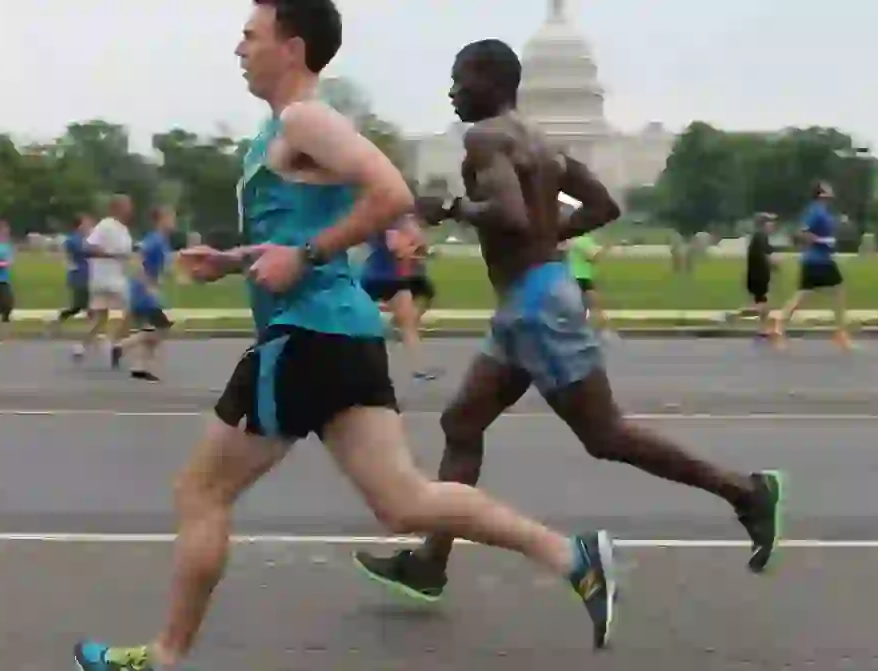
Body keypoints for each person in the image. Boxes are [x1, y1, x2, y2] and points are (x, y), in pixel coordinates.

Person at [72, 4, 616, 669]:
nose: (238, 47)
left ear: (292, 47)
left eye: (251, 35)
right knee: (404, 500)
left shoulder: (306, 118)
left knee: (201, 492)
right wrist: (237, 259)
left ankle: (162, 656)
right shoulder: (281, 130)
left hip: (306, 336)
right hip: (343, 334)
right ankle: (571, 556)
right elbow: (304, 230)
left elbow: (389, 192)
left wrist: (302, 258)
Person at [353, 38, 782, 606]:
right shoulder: (542, 144)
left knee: (605, 435)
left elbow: (507, 213)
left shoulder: (484, 139)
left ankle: (746, 493)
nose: (452, 92)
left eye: (461, 79)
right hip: (531, 301)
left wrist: (454, 209)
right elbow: (603, 207)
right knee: (461, 423)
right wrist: (544, 239)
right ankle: (431, 563)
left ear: (491, 81)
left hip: (535, 307)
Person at [769, 182, 851, 351]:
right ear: (821, 194)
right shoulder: (815, 210)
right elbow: (802, 232)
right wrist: (823, 241)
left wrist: (837, 226)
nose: (832, 191)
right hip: (817, 260)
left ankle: (779, 324)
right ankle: (840, 333)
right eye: (828, 189)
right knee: (837, 291)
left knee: (805, 295)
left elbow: (824, 229)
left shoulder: (823, 211)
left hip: (819, 259)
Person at [362, 213, 437, 380]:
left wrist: (418, 249)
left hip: (378, 276)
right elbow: (397, 250)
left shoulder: (387, 219)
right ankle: (419, 368)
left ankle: (417, 366)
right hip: (388, 277)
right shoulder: (390, 221)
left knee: (409, 321)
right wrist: (416, 252)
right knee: (408, 325)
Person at [116, 205, 178, 382]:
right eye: (171, 218)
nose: (173, 223)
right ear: (161, 220)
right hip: (144, 292)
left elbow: (162, 265)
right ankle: (122, 346)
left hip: (147, 290)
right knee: (162, 327)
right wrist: (148, 285)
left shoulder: (162, 240)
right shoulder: (155, 239)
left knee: (152, 330)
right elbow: (137, 259)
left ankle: (139, 368)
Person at [76, 195, 135, 364]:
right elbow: (87, 246)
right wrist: (110, 255)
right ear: (116, 208)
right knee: (133, 309)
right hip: (108, 278)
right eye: (127, 206)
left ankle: (81, 346)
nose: (130, 210)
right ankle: (113, 342)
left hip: (111, 277)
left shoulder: (123, 228)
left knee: (101, 317)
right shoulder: (106, 225)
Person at [565, 231, 615, 338]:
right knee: (594, 306)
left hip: (574, 276)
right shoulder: (583, 240)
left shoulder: (575, 239)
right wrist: (606, 248)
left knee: (580, 307)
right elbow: (593, 257)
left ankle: (578, 330)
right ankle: (603, 331)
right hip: (581, 278)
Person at [51, 213, 94, 332]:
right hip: (78, 276)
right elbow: (83, 251)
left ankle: (94, 329)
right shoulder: (74, 239)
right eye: (86, 224)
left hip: (86, 275)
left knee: (89, 304)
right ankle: (58, 321)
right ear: (79, 226)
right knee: (80, 306)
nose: (89, 226)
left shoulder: (83, 239)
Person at [743, 213, 779, 337]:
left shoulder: (760, 236)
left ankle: (762, 328)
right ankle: (762, 329)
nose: (773, 225)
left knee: (762, 303)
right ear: (764, 224)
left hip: (758, 275)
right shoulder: (760, 236)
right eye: (771, 222)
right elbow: (768, 256)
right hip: (759, 276)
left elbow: (769, 252)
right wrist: (775, 264)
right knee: (763, 303)